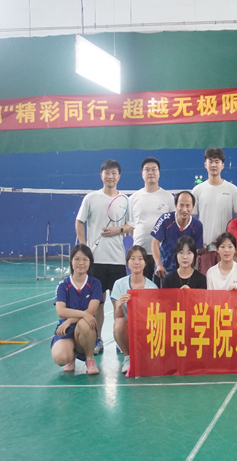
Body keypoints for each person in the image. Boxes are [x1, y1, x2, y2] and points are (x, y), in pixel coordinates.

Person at [75, 159, 131, 356]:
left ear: (119, 176)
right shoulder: (91, 198)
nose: (110, 176)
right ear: (101, 176)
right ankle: (97, 339)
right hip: (96, 261)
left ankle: (119, 339)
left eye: (114, 173)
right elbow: (79, 221)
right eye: (107, 173)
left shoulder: (125, 200)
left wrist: (119, 230)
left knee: (119, 304)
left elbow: (131, 226)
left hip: (117, 260)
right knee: (97, 303)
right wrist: (84, 246)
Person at [50, 244, 102, 375]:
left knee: (85, 322)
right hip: (66, 329)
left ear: (90, 262)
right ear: (71, 261)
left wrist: (69, 320)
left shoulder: (95, 284)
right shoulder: (63, 285)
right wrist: (81, 315)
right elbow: (61, 311)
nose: (81, 263)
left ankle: (90, 359)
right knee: (60, 358)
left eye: (85, 259)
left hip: (84, 329)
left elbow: (91, 311)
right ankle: (70, 356)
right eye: (77, 259)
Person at [192, 148, 237, 275]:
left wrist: (228, 239)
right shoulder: (198, 190)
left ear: (223, 165)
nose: (214, 165)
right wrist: (197, 242)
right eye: (211, 161)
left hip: (225, 249)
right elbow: (192, 220)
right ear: (205, 164)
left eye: (217, 161)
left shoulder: (232, 189)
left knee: (226, 283)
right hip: (204, 249)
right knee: (205, 284)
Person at [111, 245, 159, 373]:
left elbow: (155, 317)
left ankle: (145, 353)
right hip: (127, 327)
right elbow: (117, 316)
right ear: (127, 262)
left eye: (140, 259)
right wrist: (119, 305)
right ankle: (128, 356)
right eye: (132, 258)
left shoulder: (152, 288)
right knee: (118, 324)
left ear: (145, 263)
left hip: (145, 328)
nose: (136, 262)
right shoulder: (119, 284)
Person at [128, 157, 175, 283]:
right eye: (147, 170)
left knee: (162, 290)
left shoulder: (168, 197)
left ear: (159, 173)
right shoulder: (133, 198)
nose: (151, 173)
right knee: (141, 288)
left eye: (154, 169)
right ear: (142, 174)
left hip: (163, 254)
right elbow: (130, 226)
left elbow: (173, 225)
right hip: (141, 253)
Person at [151, 191, 204, 278]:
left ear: (193, 207)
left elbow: (196, 252)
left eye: (188, 206)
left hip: (185, 274)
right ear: (176, 206)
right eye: (181, 205)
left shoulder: (197, 225)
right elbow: (154, 243)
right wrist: (159, 265)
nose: (184, 210)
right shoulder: (165, 219)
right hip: (164, 272)